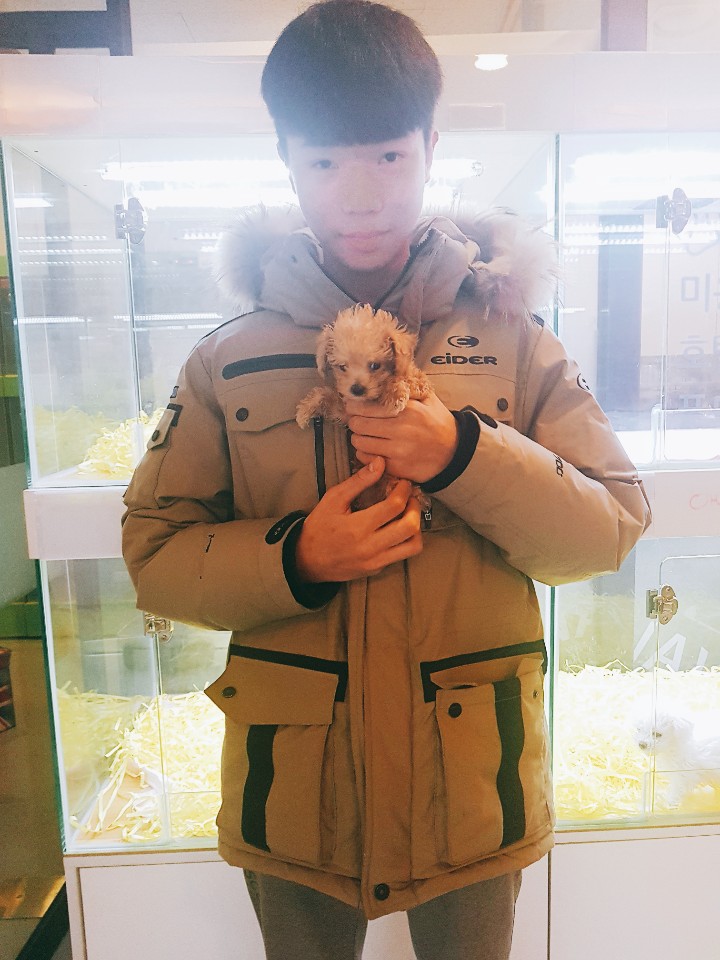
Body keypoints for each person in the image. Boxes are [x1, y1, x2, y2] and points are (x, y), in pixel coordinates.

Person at [121, 2, 651, 958]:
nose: (361, 195)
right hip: (296, 795)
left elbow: (609, 527)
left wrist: (462, 453)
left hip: (472, 788)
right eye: (325, 162)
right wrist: (296, 558)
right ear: (285, 158)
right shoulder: (226, 359)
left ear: (431, 147)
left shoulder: (515, 340)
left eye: (390, 157)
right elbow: (154, 553)